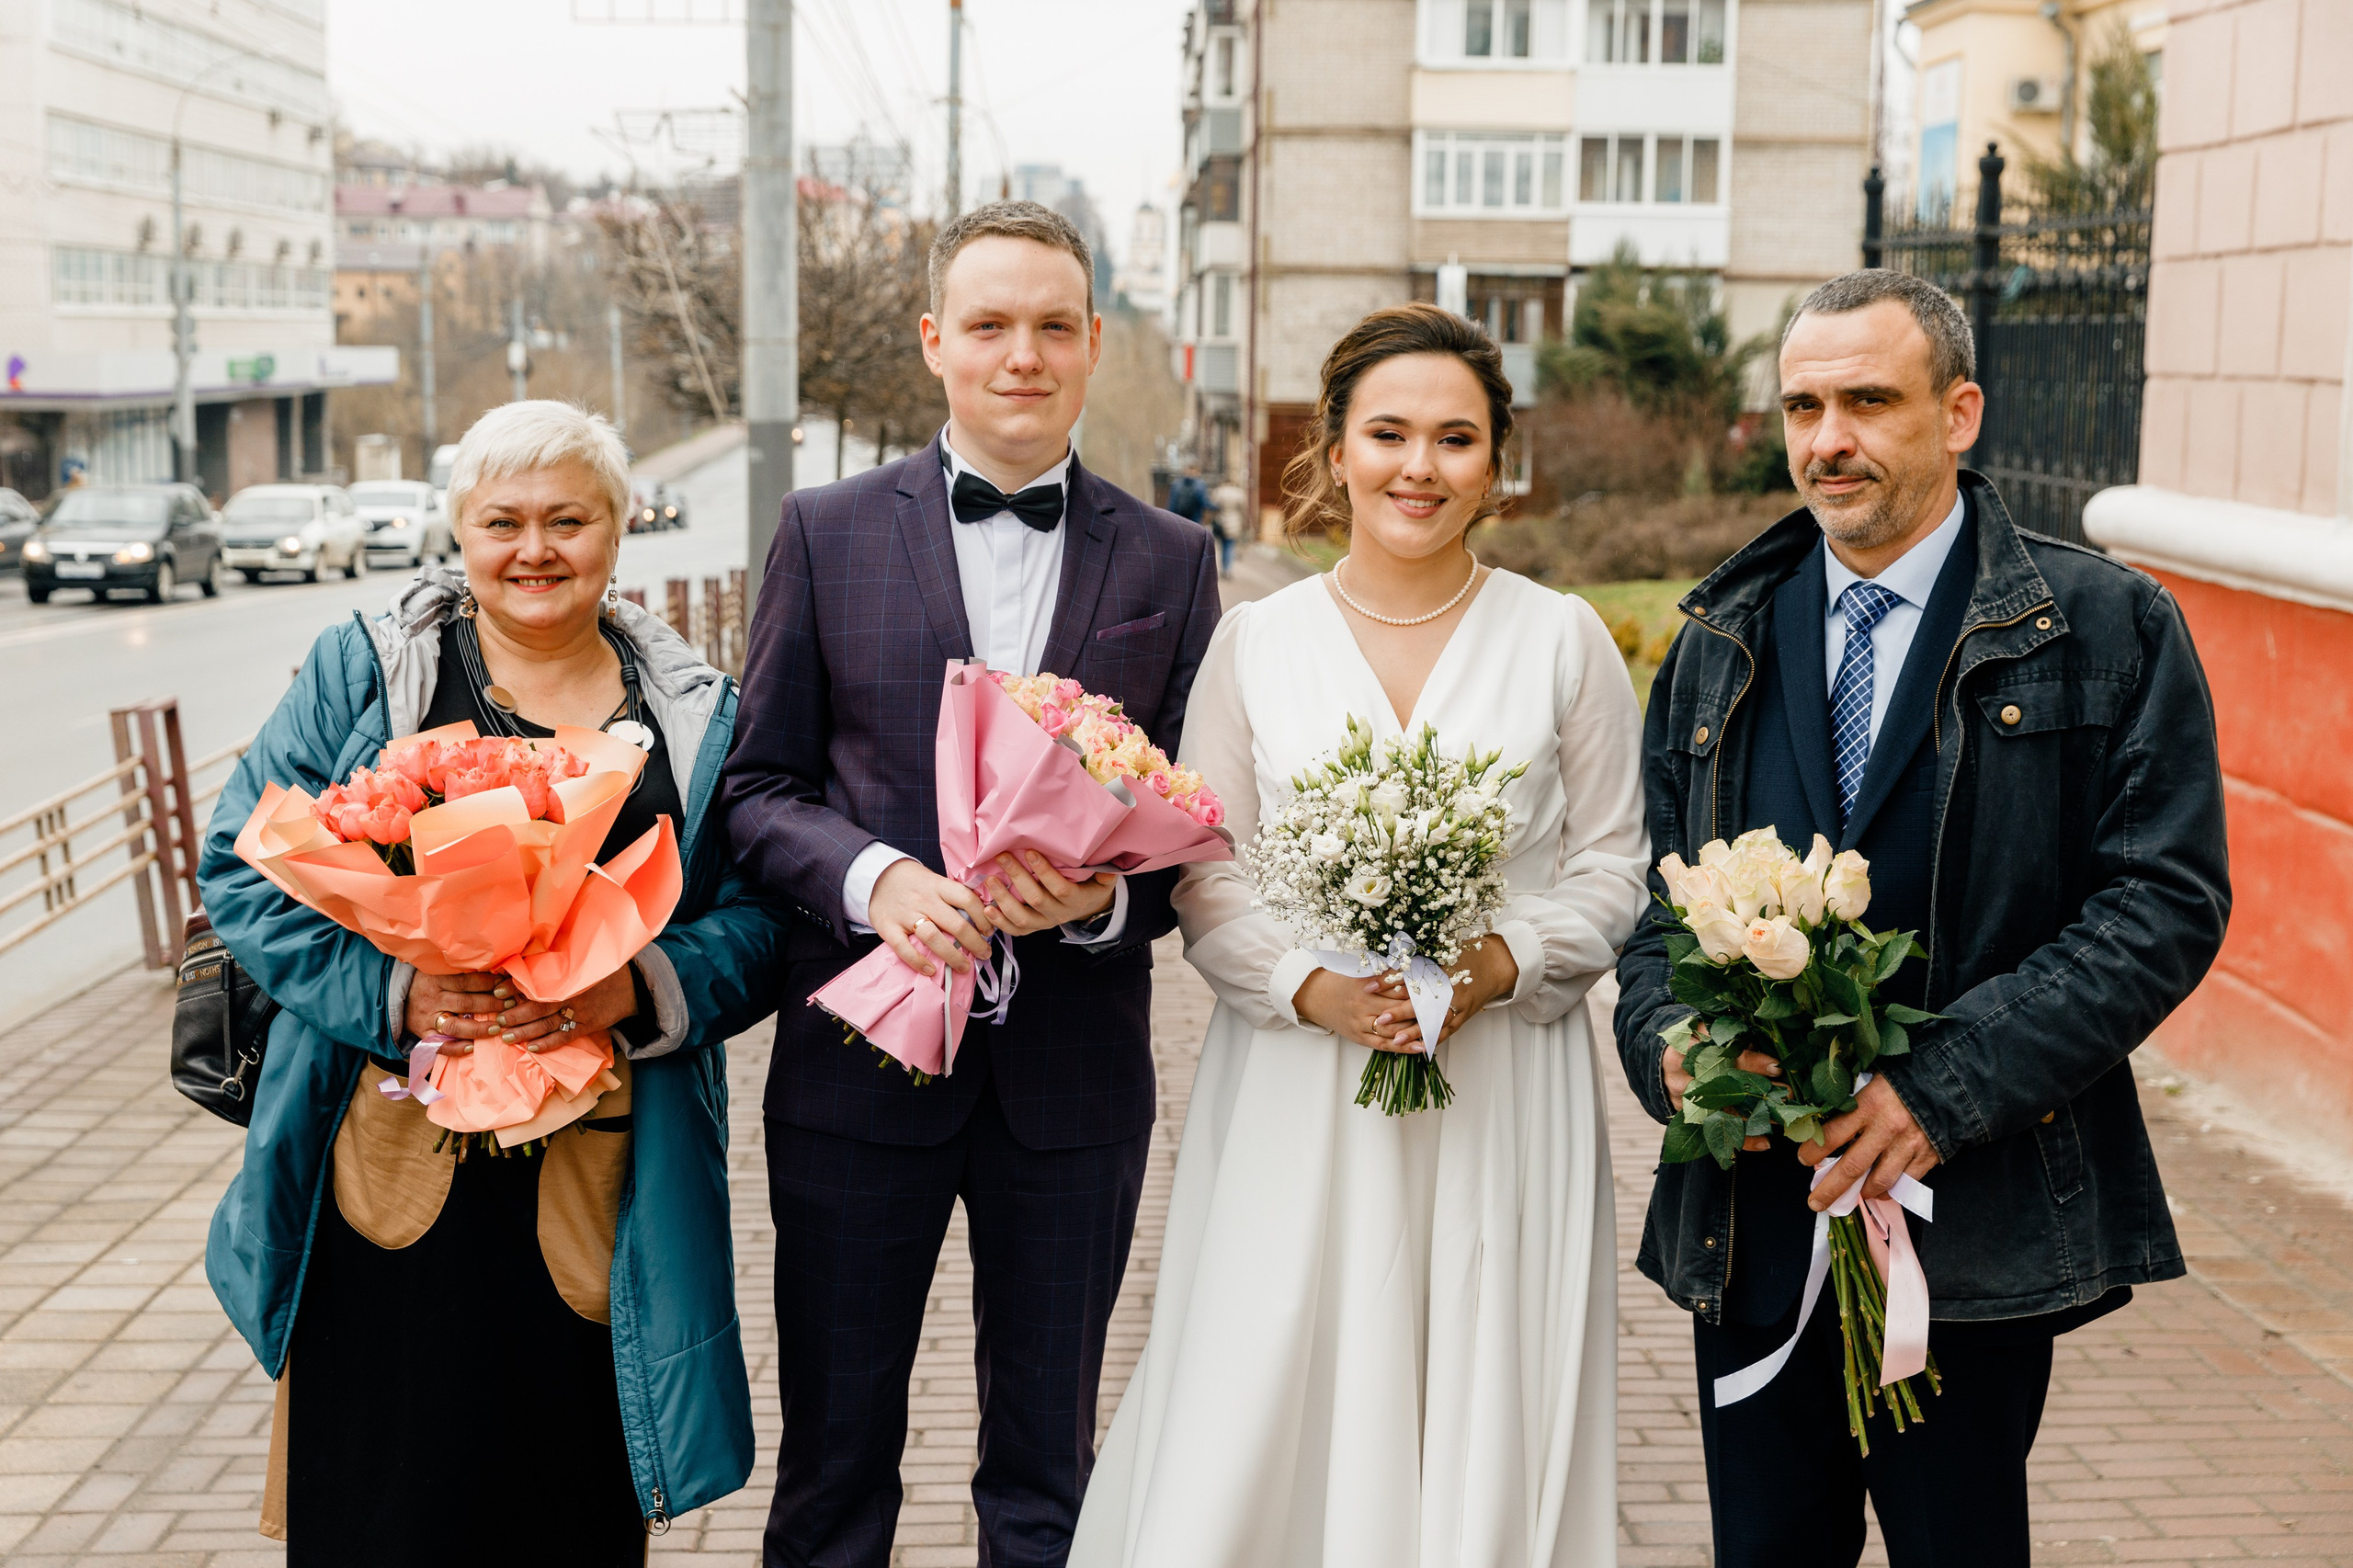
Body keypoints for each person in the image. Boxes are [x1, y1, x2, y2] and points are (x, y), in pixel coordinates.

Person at [1613, 270, 2230, 1568]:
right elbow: (1651, 907)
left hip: (1972, 1208)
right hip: (1752, 1209)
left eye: (1867, 401)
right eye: (1803, 404)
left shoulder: (2106, 627)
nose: (1826, 438)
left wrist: (1936, 1090)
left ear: (1959, 413)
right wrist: (1673, 1048)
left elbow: (2165, 902)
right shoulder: (1720, 637)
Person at [1074, 302, 1648, 1567]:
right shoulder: (1256, 642)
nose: (1418, 467)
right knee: (1275, 1360)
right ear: (1333, 448)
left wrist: (1510, 963)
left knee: (1476, 1355)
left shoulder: (1563, 640)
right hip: (1300, 1077)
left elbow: (1617, 864)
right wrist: (1306, 985)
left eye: (1455, 438)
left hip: (1498, 1082)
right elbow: (1204, 865)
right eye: (1388, 433)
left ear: (1498, 461)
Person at [721, 199, 1223, 1567]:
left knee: (1048, 1471)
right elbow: (755, 793)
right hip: (854, 1066)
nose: (1023, 354)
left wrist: (1107, 902)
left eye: (1053, 326)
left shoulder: (1174, 559)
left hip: (1072, 1079)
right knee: (833, 1463)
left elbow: (1190, 814)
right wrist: (875, 877)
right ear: (936, 340)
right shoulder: (824, 531)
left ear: (1094, 344)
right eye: (990, 325)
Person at [198, 400, 784, 1564]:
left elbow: (764, 921)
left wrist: (638, 986)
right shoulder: (368, 671)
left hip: (600, 1173)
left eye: (569, 518)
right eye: (502, 520)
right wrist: (393, 993)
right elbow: (242, 865)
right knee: (381, 1491)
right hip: (388, 1163)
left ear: (618, 531)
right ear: (457, 530)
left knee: (566, 1494)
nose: (535, 549)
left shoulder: (696, 717)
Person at [1209, 473, 1246, 576]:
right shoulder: (1239, 493)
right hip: (1234, 521)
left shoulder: (1219, 491)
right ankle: (1228, 569)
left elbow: (1213, 505)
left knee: (1222, 545)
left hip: (1221, 520)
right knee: (1230, 545)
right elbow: (1243, 509)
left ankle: (1223, 567)